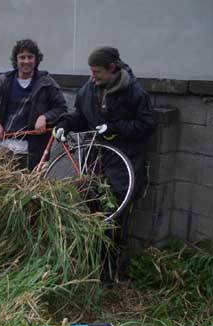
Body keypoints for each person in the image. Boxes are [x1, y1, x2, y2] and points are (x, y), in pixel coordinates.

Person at [54, 46, 156, 279]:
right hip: (96, 164)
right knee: (92, 216)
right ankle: (91, 269)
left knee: (114, 222)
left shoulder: (134, 93)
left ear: (112, 69)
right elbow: (80, 116)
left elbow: (148, 124)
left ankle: (110, 276)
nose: (93, 77)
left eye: (97, 71)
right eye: (91, 71)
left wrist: (116, 128)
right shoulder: (88, 91)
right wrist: (64, 125)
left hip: (124, 164)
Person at [0, 39, 67, 170]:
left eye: (30, 57)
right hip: (6, 145)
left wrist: (45, 117)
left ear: (36, 59)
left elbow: (61, 108)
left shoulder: (46, 82)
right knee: (6, 187)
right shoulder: (3, 81)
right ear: (16, 60)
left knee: (33, 187)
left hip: (35, 148)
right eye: (22, 57)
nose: (26, 61)